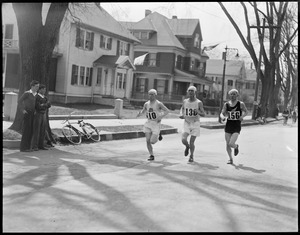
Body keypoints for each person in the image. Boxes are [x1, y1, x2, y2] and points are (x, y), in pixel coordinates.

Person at [136, 89, 170, 161]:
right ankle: (151, 155)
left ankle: (158, 135)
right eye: (149, 94)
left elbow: (167, 111)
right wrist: (139, 113)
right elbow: (143, 111)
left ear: (155, 95)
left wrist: (160, 117)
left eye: (152, 94)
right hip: (148, 123)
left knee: (152, 141)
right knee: (147, 140)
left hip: (156, 124)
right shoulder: (146, 104)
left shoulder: (158, 103)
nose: (150, 96)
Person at [220, 88, 248, 164]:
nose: (233, 95)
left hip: (236, 125)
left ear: (237, 95)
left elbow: (246, 111)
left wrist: (242, 116)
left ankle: (236, 147)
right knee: (227, 143)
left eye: (234, 94)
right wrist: (222, 117)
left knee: (231, 143)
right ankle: (230, 159)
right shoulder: (226, 104)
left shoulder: (240, 104)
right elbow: (222, 113)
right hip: (228, 125)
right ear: (229, 95)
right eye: (231, 94)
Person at [179, 85, 205, 163]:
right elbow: (182, 108)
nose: (190, 92)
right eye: (189, 90)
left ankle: (191, 156)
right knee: (183, 139)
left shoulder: (199, 102)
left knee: (192, 142)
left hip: (195, 123)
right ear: (187, 92)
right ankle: (187, 147)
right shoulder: (185, 101)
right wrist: (181, 114)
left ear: (195, 92)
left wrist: (198, 112)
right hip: (186, 122)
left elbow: (203, 114)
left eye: (192, 91)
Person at [19, 80, 40, 152]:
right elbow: (19, 101)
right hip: (27, 113)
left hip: (33, 114)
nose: (37, 88)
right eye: (36, 86)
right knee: (26, 131)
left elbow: (36, 104)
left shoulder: (36, 94)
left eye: (38, 87)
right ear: (32, 86)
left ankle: (28, 147)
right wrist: (23, 110)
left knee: (31, 130)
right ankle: (23, 148)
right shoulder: (27, 93)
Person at [31, 84, 51, 151]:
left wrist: (43, 105)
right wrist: (45, 105)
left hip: (44, 114)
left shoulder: (45, 97)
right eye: (43, 89)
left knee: (42, 130)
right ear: (40, 90)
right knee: (37, 130)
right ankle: (34, 146)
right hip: (38, 114)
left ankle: (41, 145)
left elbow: (49, 104)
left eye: (45, 89)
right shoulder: (36, 97)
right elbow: (38, 106)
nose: (44, 91)